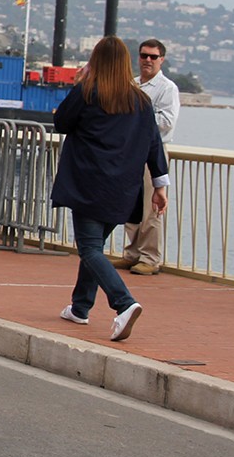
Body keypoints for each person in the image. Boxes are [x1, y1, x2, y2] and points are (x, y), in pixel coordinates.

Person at [50, 36, 169, 342]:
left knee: (89, 248)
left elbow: (61, 122)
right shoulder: (141, 101)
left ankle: (124, 304)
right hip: (123, 188)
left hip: (89, 183)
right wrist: (160, 184)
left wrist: (81, 82)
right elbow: (154, 144)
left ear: (97, 62)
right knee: (95, 248)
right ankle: (80, 307)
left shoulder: (88, 92)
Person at [118, 38, 180, 275]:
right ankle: (131, 253)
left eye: (153, 57)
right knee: (131, 205)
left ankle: (150, 257)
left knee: (151, 206)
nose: (147, 60)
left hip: (153, 151)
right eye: (144, 55)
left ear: (161, 59)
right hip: (131, 150)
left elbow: (166, 122)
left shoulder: (167, 88)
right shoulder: (131, 84)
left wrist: (138, 120)